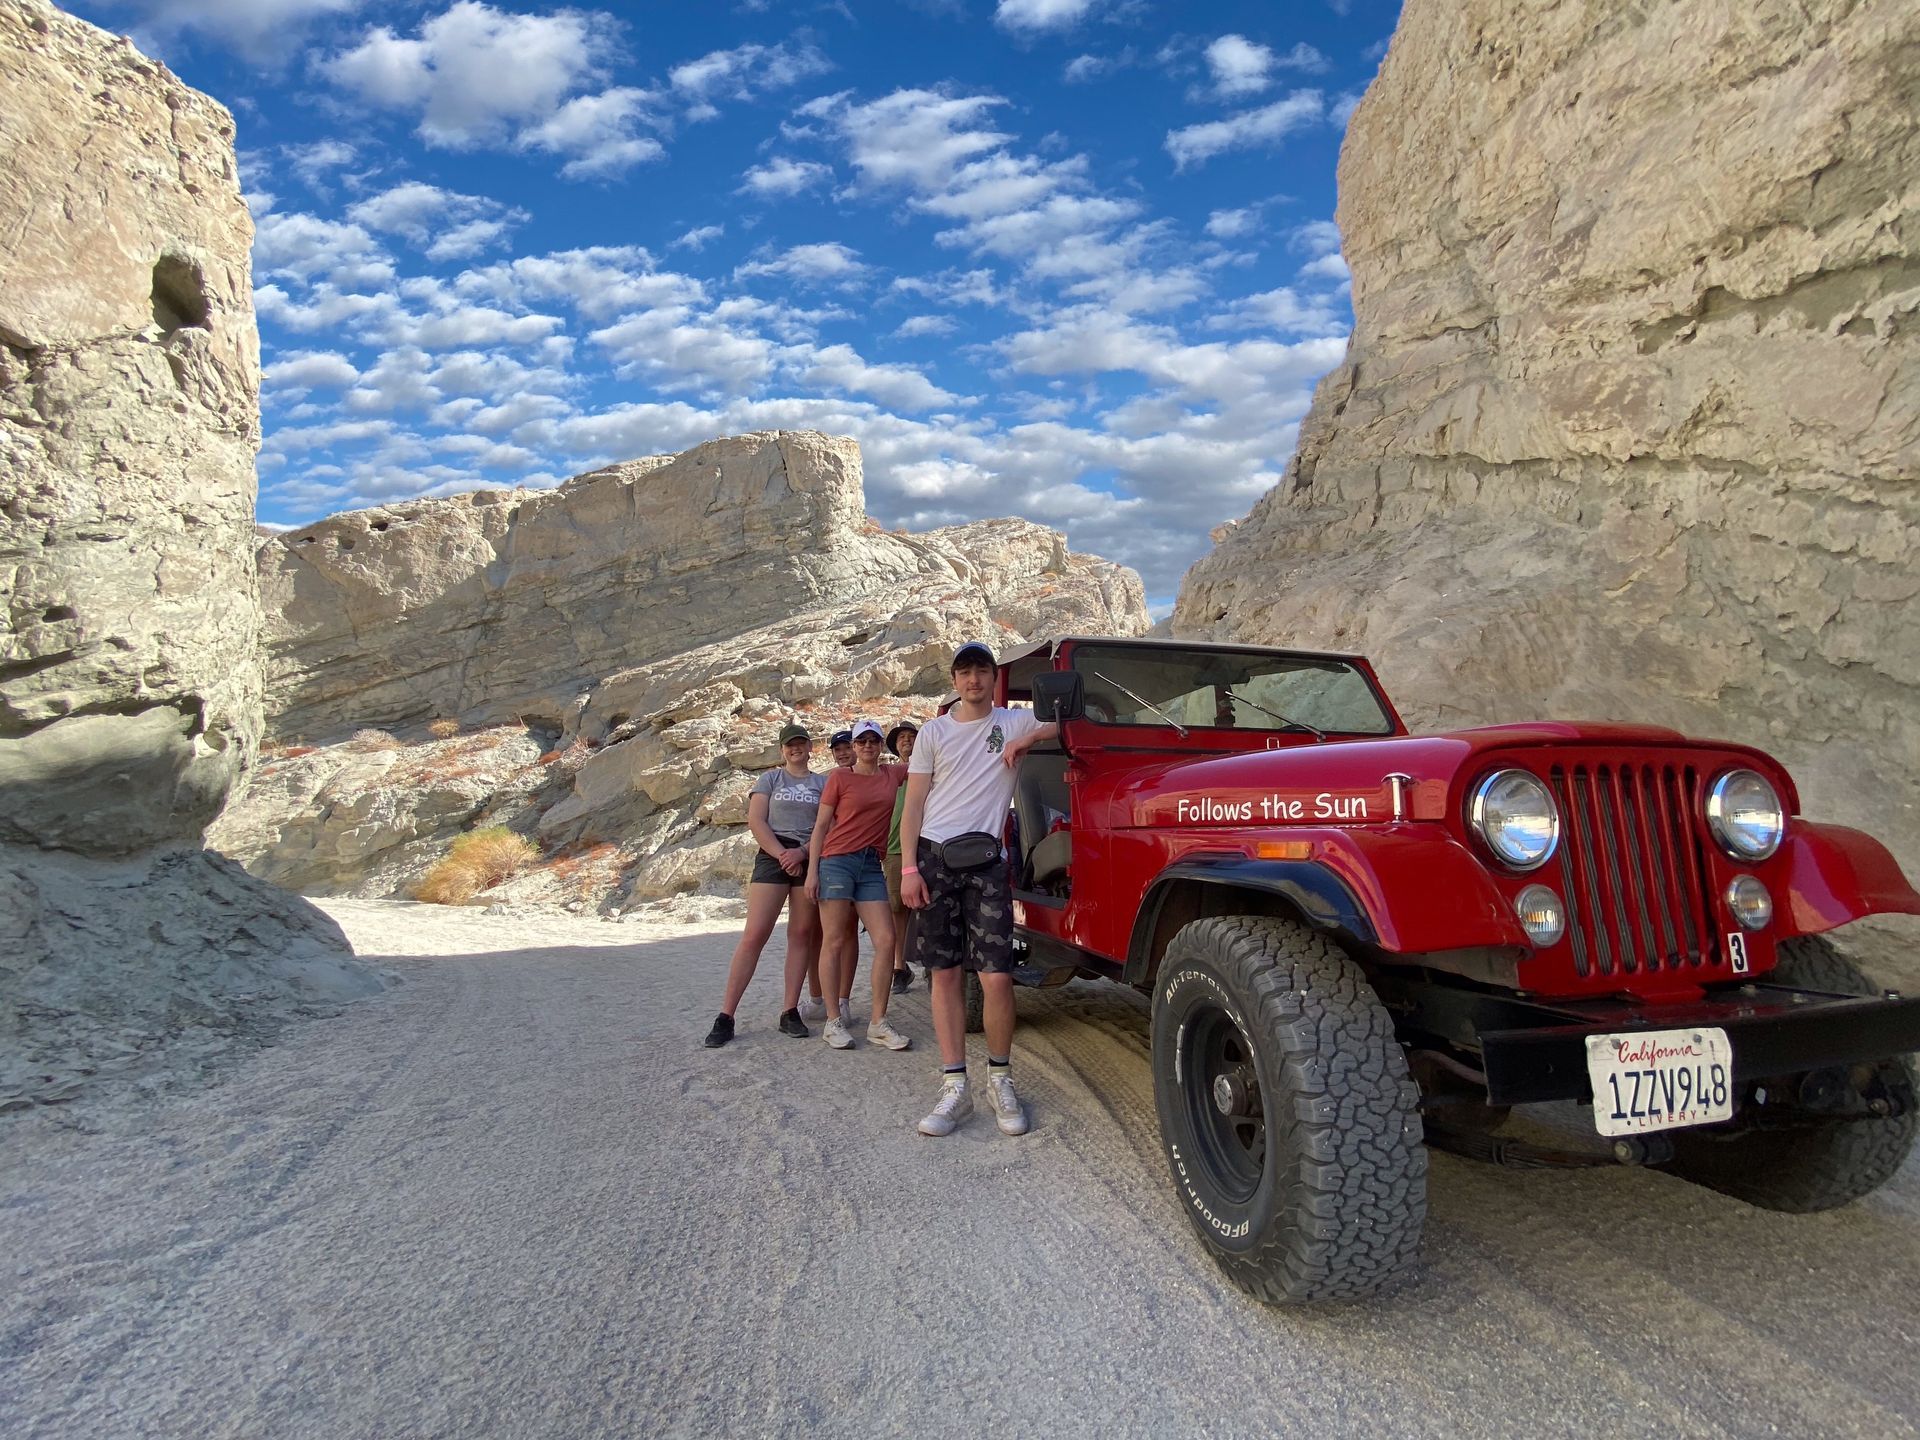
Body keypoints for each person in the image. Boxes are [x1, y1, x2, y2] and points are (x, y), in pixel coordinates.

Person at [900, 642, 1057, 1136]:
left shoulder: (1011, 722)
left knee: (997, 976)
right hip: (935, 860)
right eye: (965, 672)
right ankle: (954, 1087)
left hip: (988, 863)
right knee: (944, 974)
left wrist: (1031, 740)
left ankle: (1000, 1079)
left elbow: (1070, 726)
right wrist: (908, 868)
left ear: (993, 678)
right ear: (954, 679)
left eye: (982, 672)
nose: (973, 681)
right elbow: (914, 805)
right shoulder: (933, 732)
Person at [703, 723, 824, 1047]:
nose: (795, 749)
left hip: (807, 855)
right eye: (789, 745)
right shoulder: (770, 779)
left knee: (800, 934)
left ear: (810, 746)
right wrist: (783, 853)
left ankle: (789, 1011)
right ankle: (726, 1015)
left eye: (800, 743)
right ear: (782, 750)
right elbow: (756, 820)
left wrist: (801, 853)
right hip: (774, 854)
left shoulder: (821, 783)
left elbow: (827, 824)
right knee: (755, 933)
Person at [804, 719, 911, 1052]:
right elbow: (821, 826)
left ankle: (878, 1022)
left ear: (881, 745)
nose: (867, 746)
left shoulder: (892, 775)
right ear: (853, 745)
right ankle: (834, 1020)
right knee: (834, 939)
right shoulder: (839, 778)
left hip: (870, 864)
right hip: (836, 861)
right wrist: (812, 871)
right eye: (861, 741)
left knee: (886, 938)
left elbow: (928, 759)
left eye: (873, 741)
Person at [882, 722, 920, 994]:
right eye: (901, 738)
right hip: (895, 850)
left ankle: (934, 963)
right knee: (897, 910)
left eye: (911, 736)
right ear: (895, 747)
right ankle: (900, 967)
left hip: (928, 846)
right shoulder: (888, 775)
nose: (906, 741)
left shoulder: (931, 769)